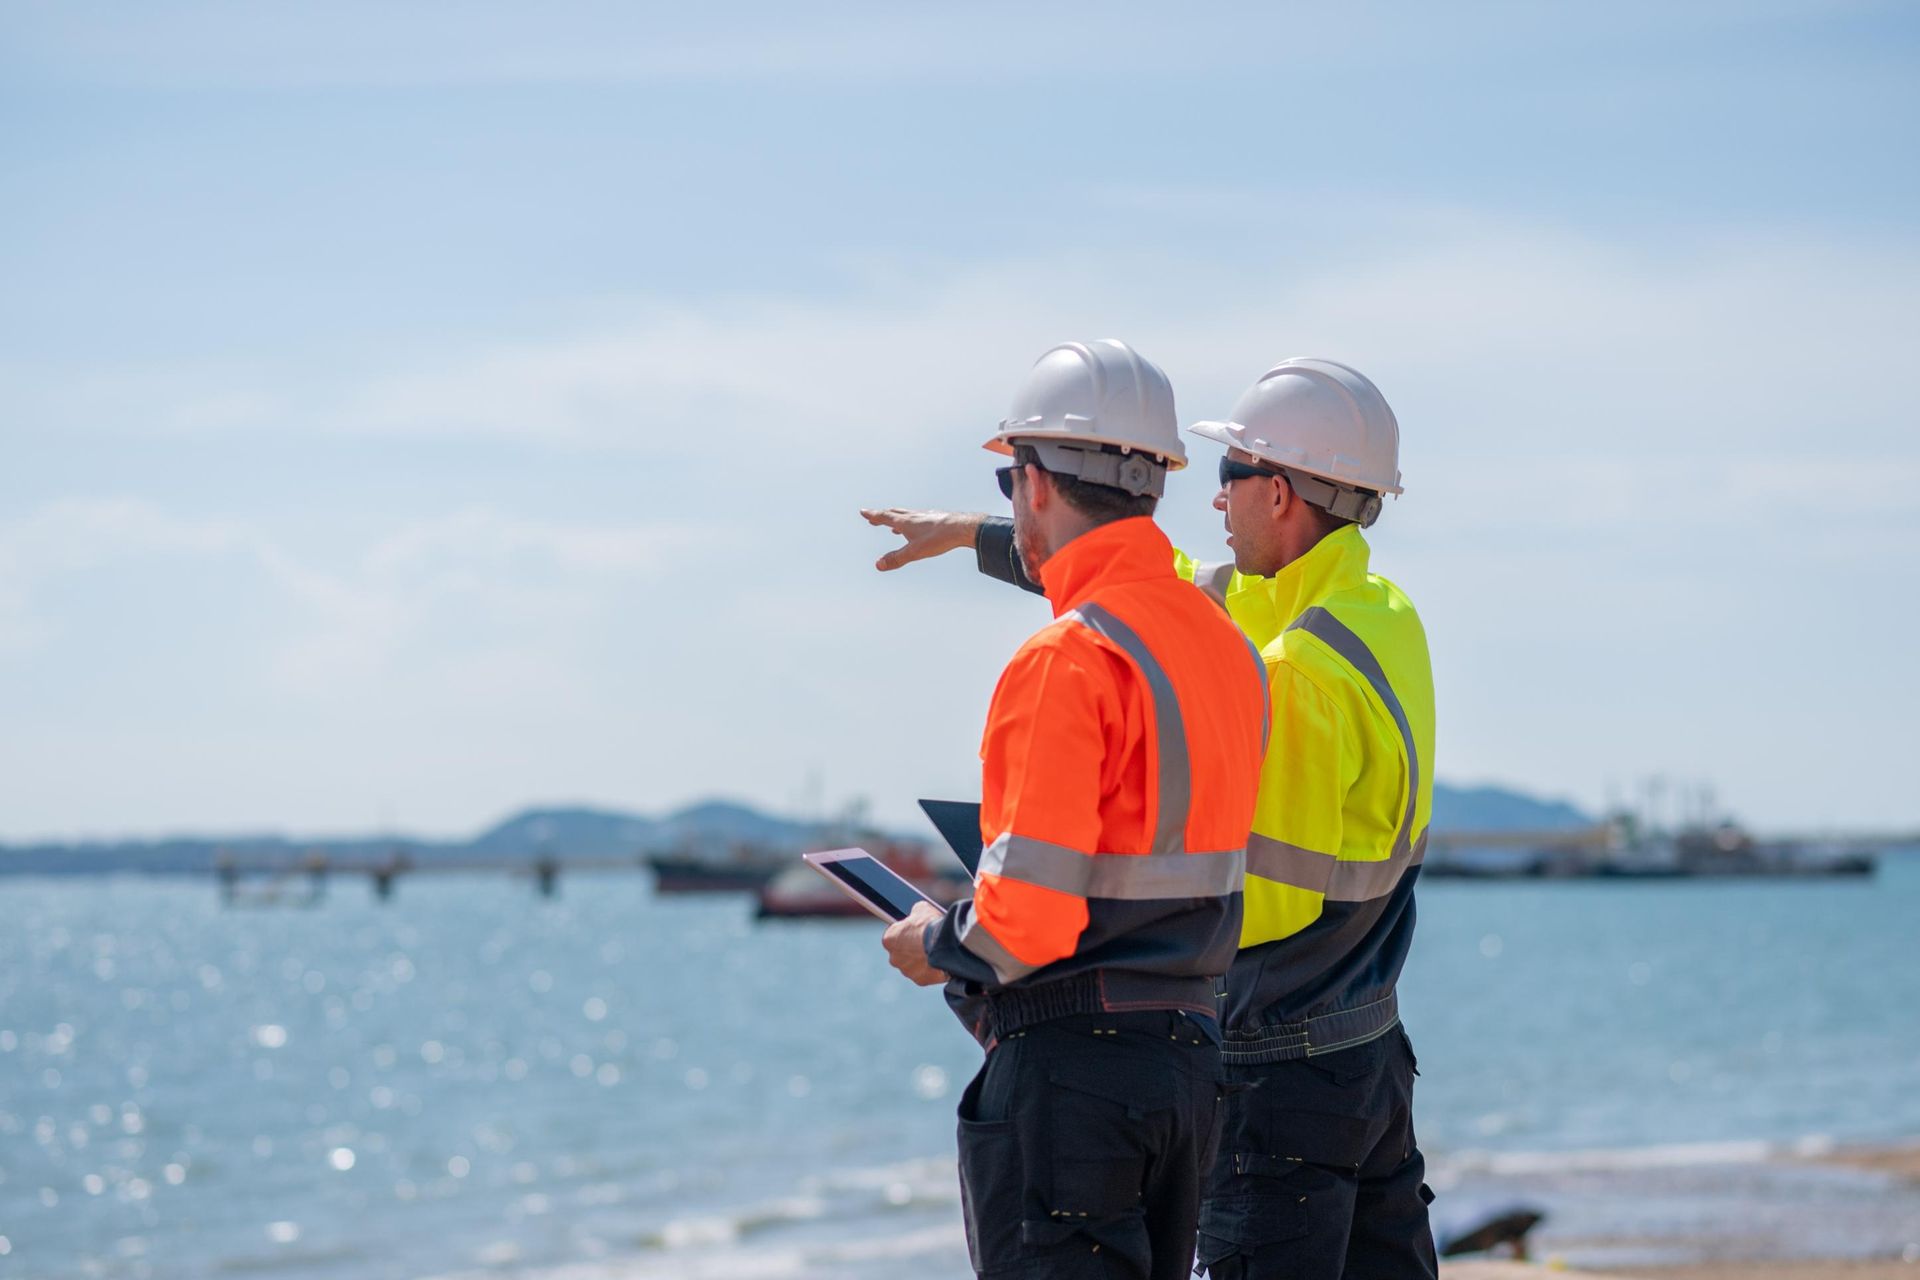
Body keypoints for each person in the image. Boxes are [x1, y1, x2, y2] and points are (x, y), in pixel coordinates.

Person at [865, 357, 1438, 1279]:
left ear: (1281, 494)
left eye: (1230, 478)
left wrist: (1002, 917)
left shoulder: (1291, 670)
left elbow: (1250, 896)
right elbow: (1149, 583)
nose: (1212, 506)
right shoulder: (1368, 615)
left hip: (1275, 1072)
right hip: (1365, 1053)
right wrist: (978, 532)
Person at [876, 339, 1269, 1280]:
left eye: (1012, 479)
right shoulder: (1225, 646)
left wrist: (933, 941)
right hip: (1188, 1065)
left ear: (1035, 483)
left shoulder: (1065, 659)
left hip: (1073, 1075)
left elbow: (1029, 924)